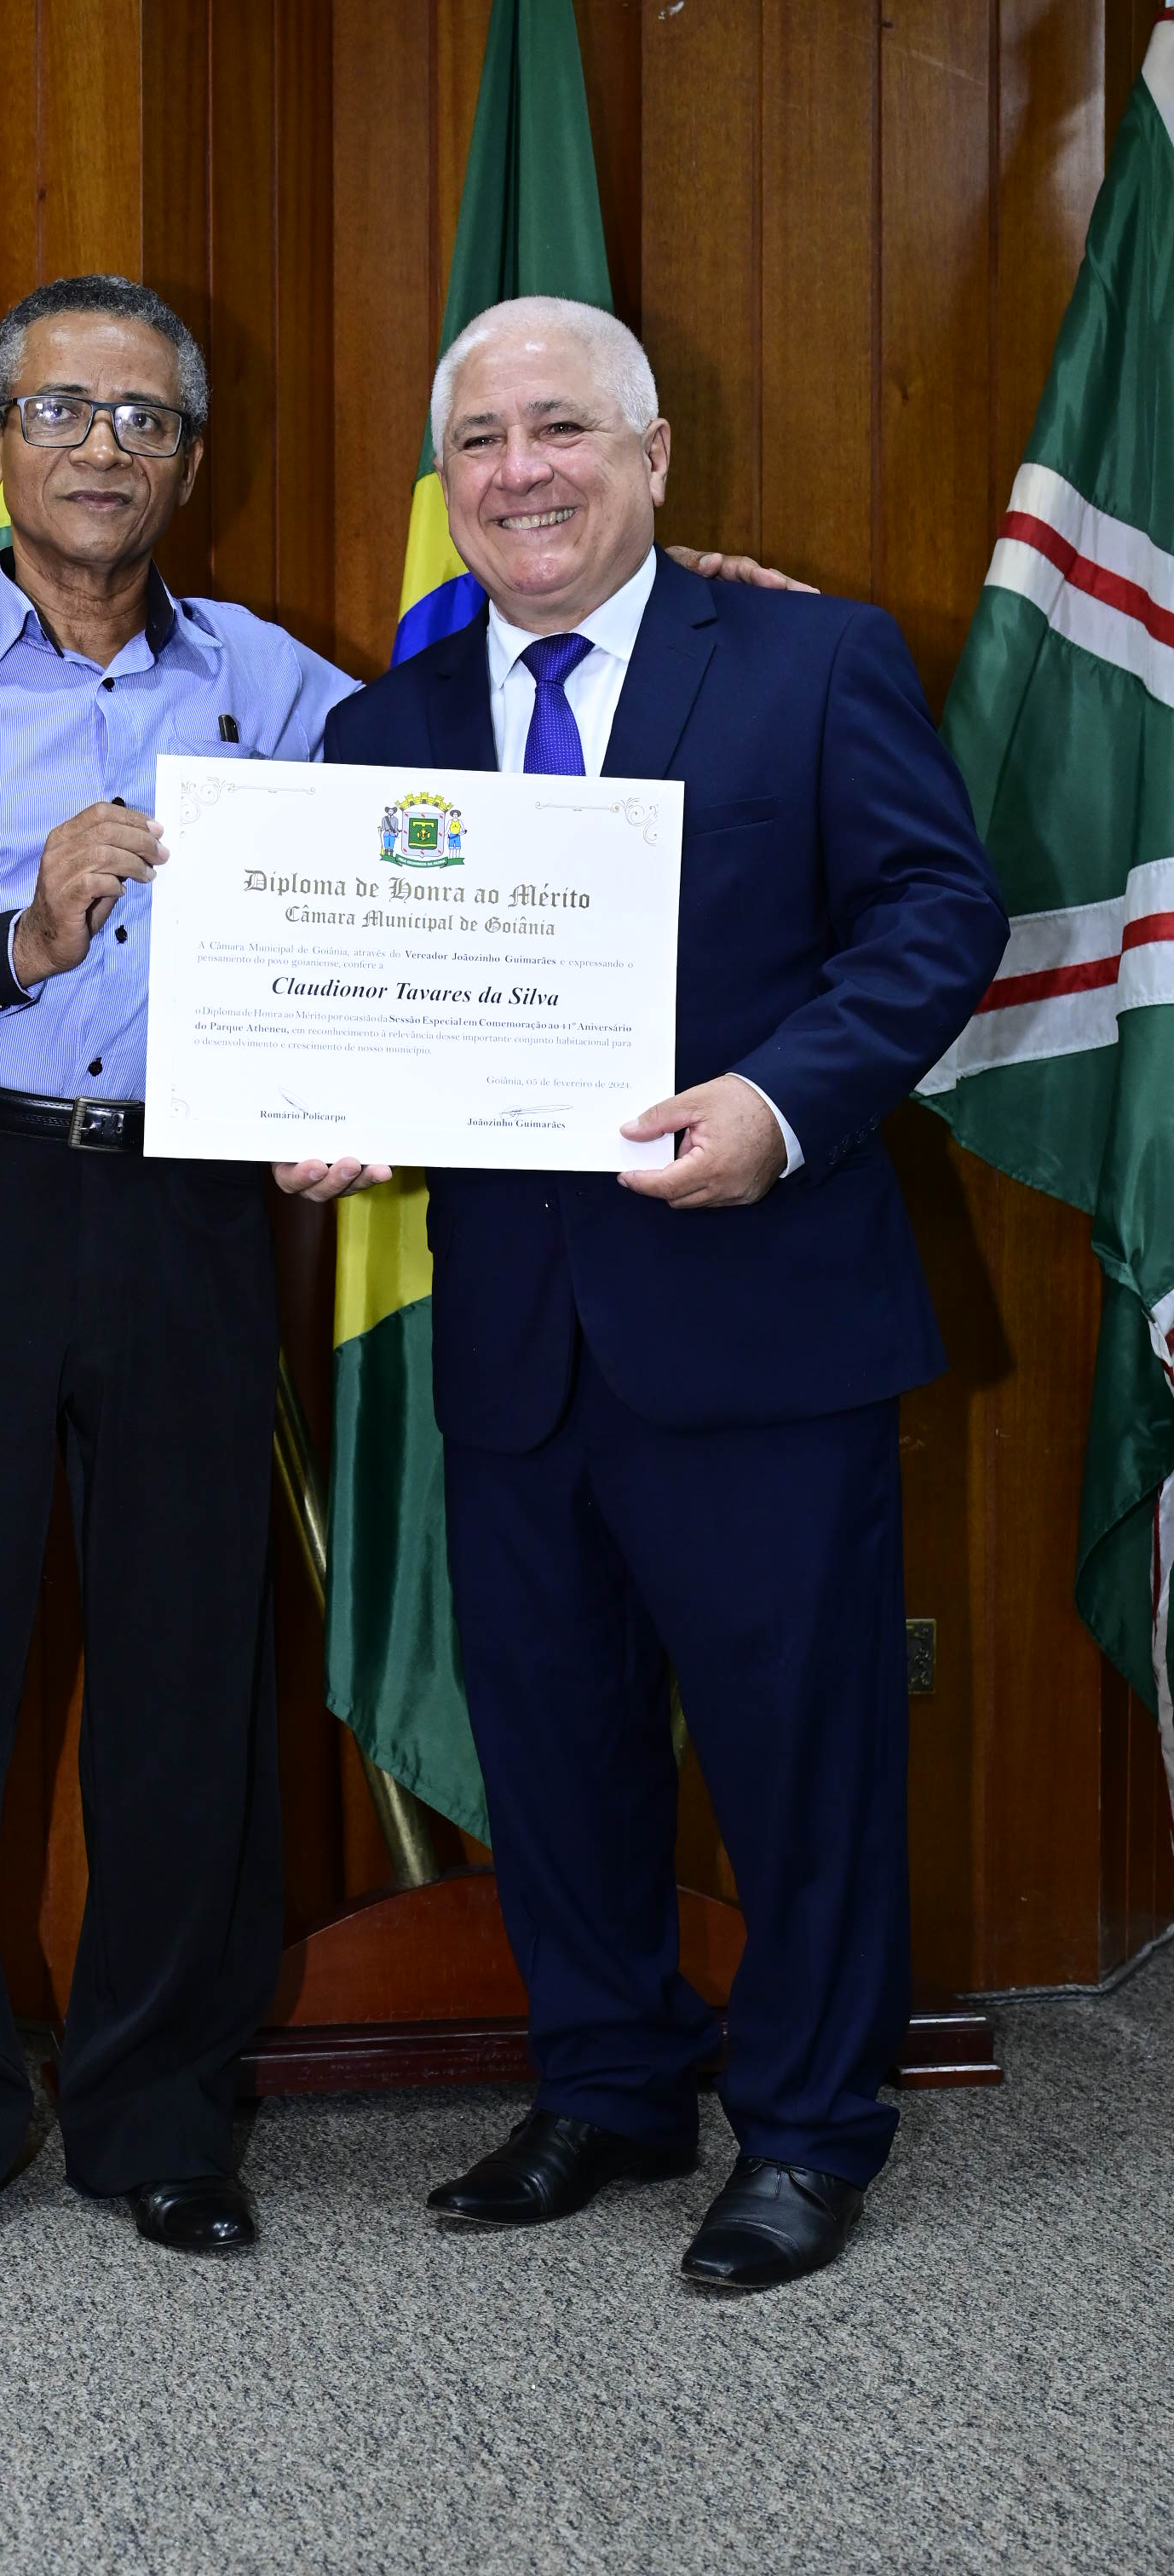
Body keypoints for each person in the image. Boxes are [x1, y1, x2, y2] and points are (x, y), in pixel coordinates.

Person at [0, 271, 790, 2269]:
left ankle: (161, 2116)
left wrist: (692, 593)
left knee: (189, 1670)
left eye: (144, 418)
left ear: (191, 458)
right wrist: (14, 942)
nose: (103, 448)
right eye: (64, 411)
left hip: (192, 1213)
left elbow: (488, 775)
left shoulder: (286, 692)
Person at [287, 296, 1007, 2291]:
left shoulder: (811, 658)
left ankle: (811, 2127)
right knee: (556, 1748)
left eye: (561, 429)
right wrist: (334, 1106)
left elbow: (936, 911)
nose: (519, 472)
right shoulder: (383, 732)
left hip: (766, 1313)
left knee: (802, 1751)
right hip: (517, 1341)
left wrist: (781, 1103)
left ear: (653, 454)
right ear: (446, 484)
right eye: (480, 443)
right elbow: (375, 1006)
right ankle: (608, 2086)